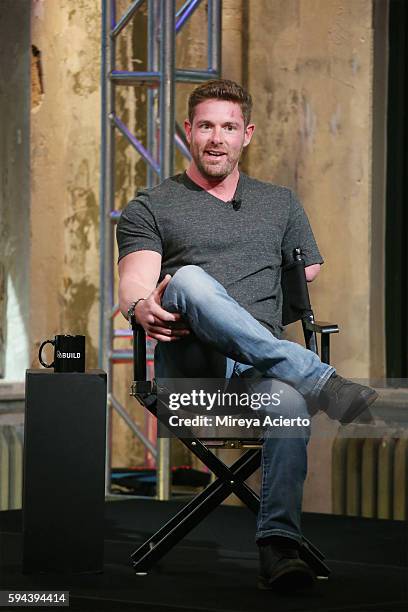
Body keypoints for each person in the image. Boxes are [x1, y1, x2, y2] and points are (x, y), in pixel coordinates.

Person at [116, 79, 377, 591]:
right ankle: (321, 379)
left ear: (247, 134)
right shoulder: (152, 204)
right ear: (188, 131)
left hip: (259, 375)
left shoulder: (279, 204)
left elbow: (308, 271)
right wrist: (139, 304)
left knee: (288, 401)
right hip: (195, 375)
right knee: (189, 279)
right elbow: (135, 281)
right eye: (207, 126)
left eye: (229, 127)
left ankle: (279, 547)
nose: (217, 138)